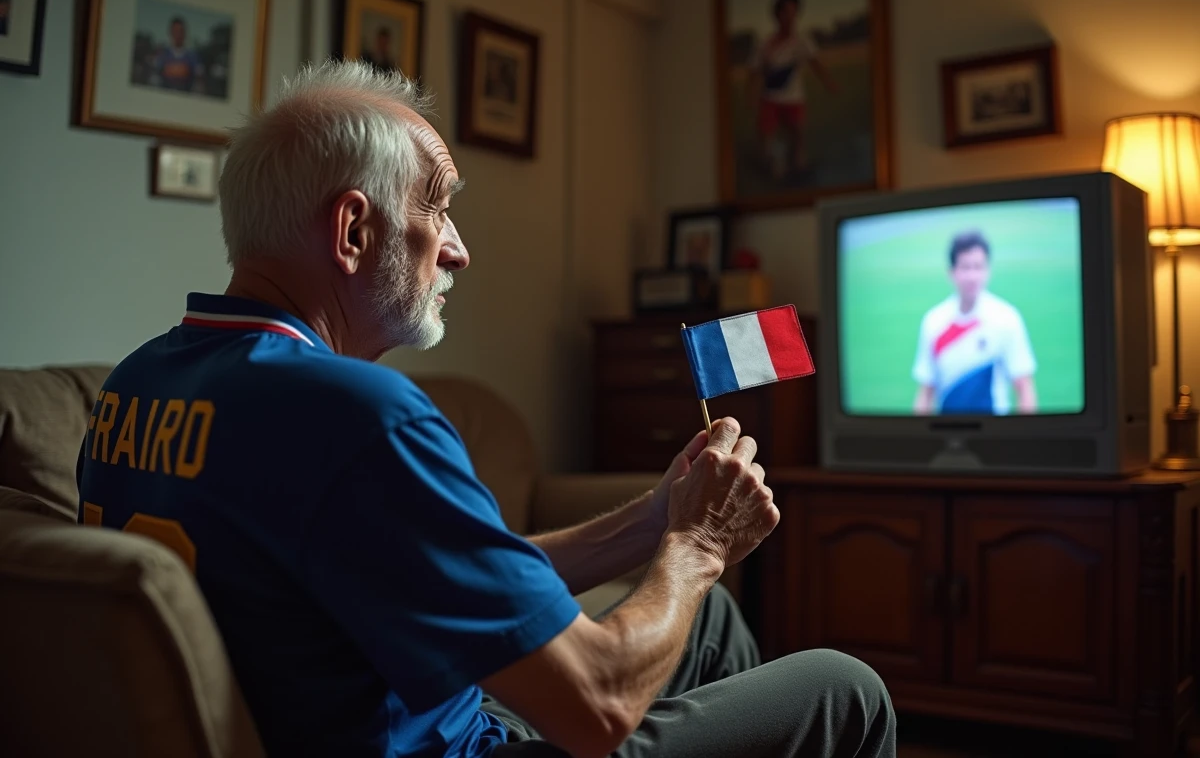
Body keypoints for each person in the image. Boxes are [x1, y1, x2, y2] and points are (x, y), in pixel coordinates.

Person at [76, 60, 895, 758]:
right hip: (459, 743)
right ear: (353, 231)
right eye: (436, 206)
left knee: (708, 623)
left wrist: (654, 523)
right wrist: (699, 545)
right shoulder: (361, 416)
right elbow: (597, 708)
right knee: (846, 689)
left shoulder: (137, 382)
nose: (459, 247)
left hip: (390, 713)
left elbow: (444, 572)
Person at [913, 230, 1037, 415]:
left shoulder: (1006, 318)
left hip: (994, 434)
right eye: (965, 267)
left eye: (978, 267)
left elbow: (1024, 388)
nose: (972, 276)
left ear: (988, 270)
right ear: (952, 272)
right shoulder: (934, 321)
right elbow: (926, 391)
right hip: (948, 433)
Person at [752, 0, 837, 180]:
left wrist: (829, 83)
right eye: (786, 12)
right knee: (768, 137)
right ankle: (774, 168)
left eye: (794, 12)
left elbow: (816, 64)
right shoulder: (766, 44)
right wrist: (752, 95)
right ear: (777, 14)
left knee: (797, 135)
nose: (790, 17)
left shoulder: (802, 41)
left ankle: (799, 169)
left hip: (794, 97)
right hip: (771, 97)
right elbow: (756, 71)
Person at [155, 16, 204, 94]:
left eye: (181, 31)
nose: (178, 35)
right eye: (175, 31)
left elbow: (199, 80)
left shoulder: (193, 56)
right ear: (170, 33)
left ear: (185, 33)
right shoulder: (163, 55)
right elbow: (156, 78)